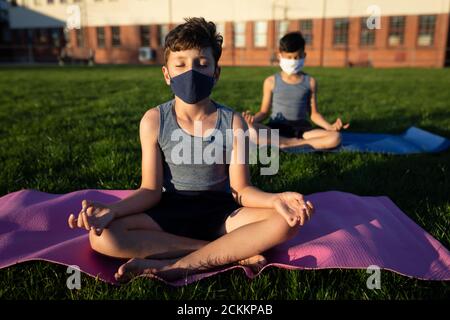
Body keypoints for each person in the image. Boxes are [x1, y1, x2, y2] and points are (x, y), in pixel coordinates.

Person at [67, 18, 314, 282]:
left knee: (286, 222)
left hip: (222, 214)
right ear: (166, 74)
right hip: (171, 209)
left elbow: (241, 190)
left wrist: (274, 199)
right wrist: (113, 211)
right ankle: (228, 252)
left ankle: (176, 265)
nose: (191, 72)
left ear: (216, 73)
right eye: (181, 64)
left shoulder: (233, 121)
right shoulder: (153, 120)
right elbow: (150, 190)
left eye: (202, 64)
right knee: (102, 237)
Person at [242, 31, 349, 149]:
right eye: (289, 57)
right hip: (275, 127)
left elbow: (314, 114)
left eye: (297, 57)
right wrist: (251, 120)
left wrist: (329, 127)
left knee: (335, 137)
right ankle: (295, 143)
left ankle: (287, 143)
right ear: (280, 56)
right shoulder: (270, 81)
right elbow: (264, 112)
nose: (293, 61)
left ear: (304, 55)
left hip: (302, 129)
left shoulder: (310, 82)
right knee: (250, 131)